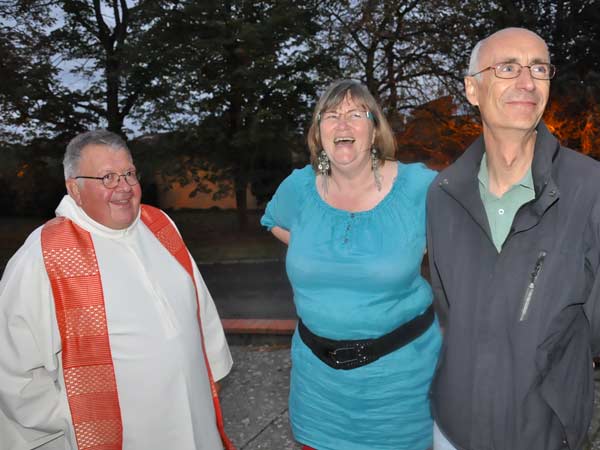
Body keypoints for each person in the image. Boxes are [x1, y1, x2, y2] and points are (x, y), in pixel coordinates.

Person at [0, 130, 234, 450]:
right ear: (75, 189)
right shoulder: (45, 255)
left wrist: (212, 370)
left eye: (129, 174)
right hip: (127, 435)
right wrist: (71, 419)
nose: (124, 188)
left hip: (195, 412)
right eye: (107, 177)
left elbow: (200, 307)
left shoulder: (159, 224)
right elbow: (11, 364)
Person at [427, 27, 600, 450]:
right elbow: (450, 311)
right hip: (454, 428)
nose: (527, 81)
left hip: (544, 432)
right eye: (507, 67)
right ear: (472, 89)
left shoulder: (590, 187)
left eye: (538, 68)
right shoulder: (443, 194)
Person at [261, 79, 441, 450]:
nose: (342, 124)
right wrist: (318, 251)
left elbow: (465, 239)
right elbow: (273, 222)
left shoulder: (420, 187)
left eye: (356, 114)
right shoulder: (298, 187)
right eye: (331, 115)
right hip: (317, 391)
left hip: (400, 391)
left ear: (375, 131)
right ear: (318, 133)